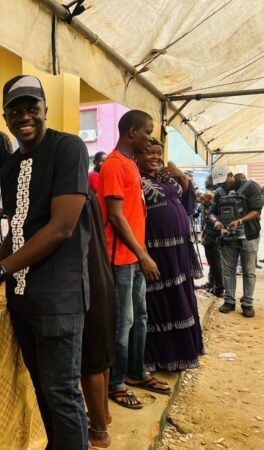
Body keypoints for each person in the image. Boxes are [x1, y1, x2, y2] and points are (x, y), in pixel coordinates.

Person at [0, 75, 91, 449]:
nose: (25, 116)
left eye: (32, 108)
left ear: (44, 110)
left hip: (59, 299)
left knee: (62, 394)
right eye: (16, 110)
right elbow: (18, 228)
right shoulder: (11, 167)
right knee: (42, 389)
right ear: (6, 118)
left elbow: (62, 228)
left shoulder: (68, 148)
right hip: (22, 298)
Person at [98, 110, 170, 410]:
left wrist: (142, 253)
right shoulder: (114, 165)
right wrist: (142, 255)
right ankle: (115, 383)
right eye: (147, 131)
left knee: (139, 317)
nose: (150, 138)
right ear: (131, 132)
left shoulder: (130, 164)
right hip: (122, 258)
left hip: (135, 256)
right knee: (123, 321)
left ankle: (136, 373)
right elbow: (115, 216)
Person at [137, 140, 204, 372]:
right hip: (157, 250)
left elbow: (187, 202)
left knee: (181, 297)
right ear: (137, 155)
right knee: (160, 301)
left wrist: (181, 176)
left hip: (179, 249)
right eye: (149, 153)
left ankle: (183, 352)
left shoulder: (166, 176)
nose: (155, 157)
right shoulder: (135, 178)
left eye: (158, 153)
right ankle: (160, 358)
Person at [81, 190, 116, 449]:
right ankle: (102, 413)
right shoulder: (89, 192)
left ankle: (99, 431)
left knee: (89, 362)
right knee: (101, 357)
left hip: (86, 281)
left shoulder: (70, 193)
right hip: (102, 277)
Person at [209, 167, 264, 317]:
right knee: (228, 270)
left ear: (231, 175)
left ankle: (247, 303)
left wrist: (239, 221)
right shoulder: (220, 192)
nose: (223, 185)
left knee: (249, 271)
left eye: (224, 181)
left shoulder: (250, 187)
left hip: (249, 235)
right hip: (228, 237)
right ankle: (229, 301)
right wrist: (216, 222)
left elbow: (256, 210)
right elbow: (212, 212)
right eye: (219, 183)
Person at [200, 176, 224, 297]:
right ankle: (212, 283)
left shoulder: (209, 195)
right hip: (220, 230)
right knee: (216, 259)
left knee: (213, 261)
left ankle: (219, 287)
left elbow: (207, 213)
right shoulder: (224, 193)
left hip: (210, 232)